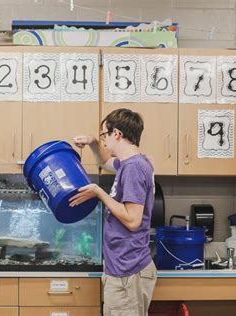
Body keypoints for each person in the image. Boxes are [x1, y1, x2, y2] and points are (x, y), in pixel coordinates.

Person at [70, 108, 157, 316]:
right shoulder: (129, 163)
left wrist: (99, 193)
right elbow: (104, 161)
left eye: (104, 135)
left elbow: (133, 220)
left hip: (128, 271)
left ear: (116, 133)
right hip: (123, 268)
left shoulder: (134, 168)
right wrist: (92, 141)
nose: (104, 140)